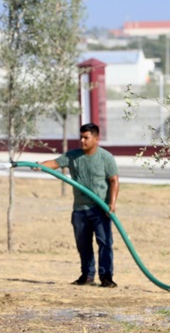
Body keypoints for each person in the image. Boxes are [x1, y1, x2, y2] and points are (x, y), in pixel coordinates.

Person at [37, 123, 120, 288]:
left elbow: (114, 180)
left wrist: (112, 203)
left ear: (96, 139)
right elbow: (54, 163)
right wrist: (38, 166)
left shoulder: (106, 157)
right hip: (80, 210)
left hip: (101, 209)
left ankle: (106, 277)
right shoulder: (73, 156)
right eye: (80, 137)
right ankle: (87, 276)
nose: (82, 141)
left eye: (86, 137)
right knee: (83, 244)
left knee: (105, 243)